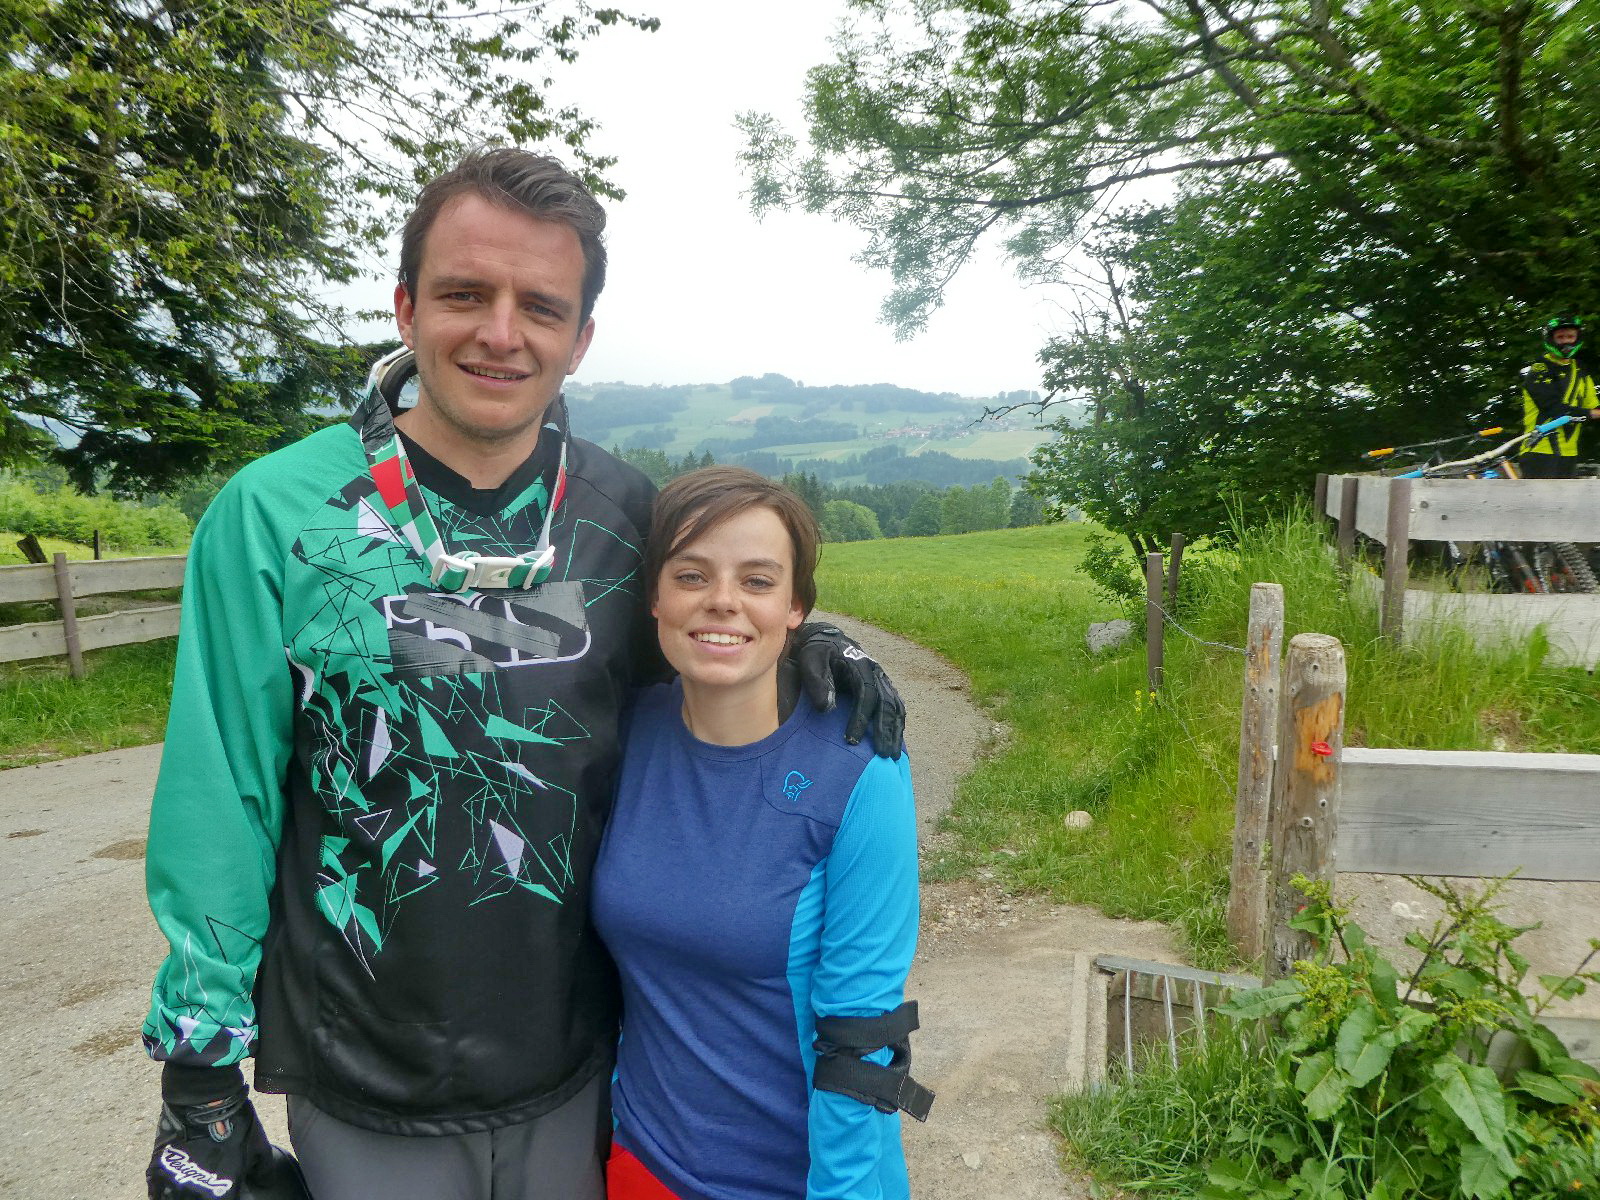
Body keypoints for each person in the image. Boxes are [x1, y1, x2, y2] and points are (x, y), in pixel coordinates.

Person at [142, 149, 903, 1200]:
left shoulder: (626, 518)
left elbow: (700, 681)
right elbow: (220, 792)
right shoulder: (277, 514)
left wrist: (806, 651)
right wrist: (198, 1066)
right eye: (465, 294)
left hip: (581, 1066)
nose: (501, 333)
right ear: (406, 307)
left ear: (579, 338)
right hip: (365, 1074)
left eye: (541, 307)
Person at [592, 467, 932, 1200]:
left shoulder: (860, 770)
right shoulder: (624, 732)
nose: (723, 600)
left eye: (757, 581)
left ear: (795, 606)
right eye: (691, 575)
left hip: (799, 1179)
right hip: (639, 1163)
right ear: (654, 597)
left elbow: (861, 1038)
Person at [1517, 314, 1600, 478]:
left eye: (1570, 336)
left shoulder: (1581, 371)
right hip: (1539, 450)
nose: (1566, 341)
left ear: (1577, 338)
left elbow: (1594, 408)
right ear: (1551, 339)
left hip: (1570, 453)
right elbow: (1555, 409)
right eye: (1560, 337)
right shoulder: (1539, 370)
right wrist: (1592, 413)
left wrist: (1593, 412)